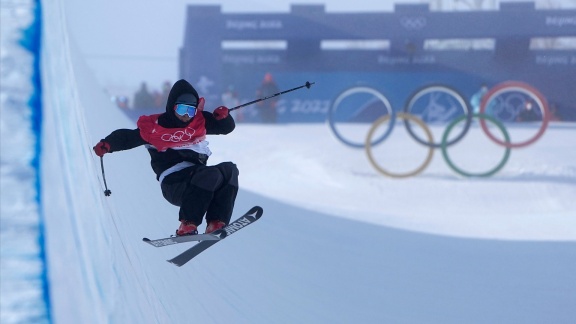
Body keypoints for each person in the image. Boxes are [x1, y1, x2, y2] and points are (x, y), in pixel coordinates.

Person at [93, 79, 237, 236]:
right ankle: (187, 224)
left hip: (198, 178)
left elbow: (226, 128)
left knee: (229, 170)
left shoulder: (198, 121)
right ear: (172, 107)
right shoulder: (155, 127)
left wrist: (223, 117)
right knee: (211, 174)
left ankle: (216, 221)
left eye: (191, 111)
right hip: (174, 184)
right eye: (182, 110)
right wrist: (108, 144)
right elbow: (127, 137)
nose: (186, 116)